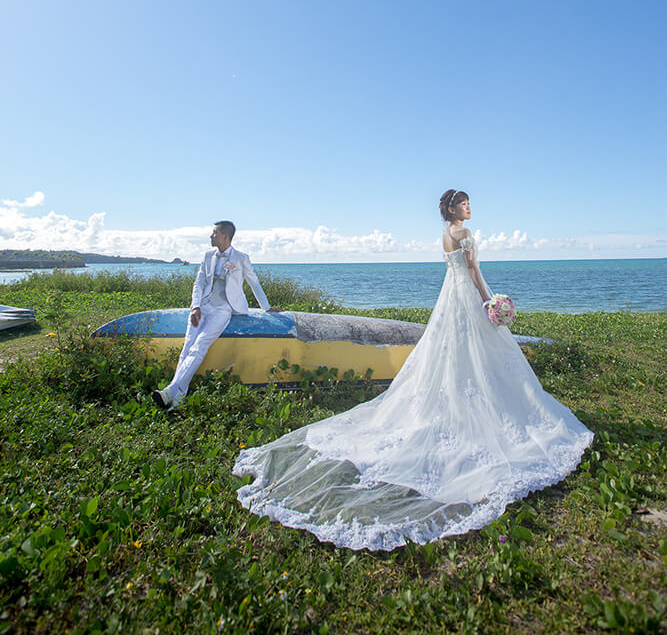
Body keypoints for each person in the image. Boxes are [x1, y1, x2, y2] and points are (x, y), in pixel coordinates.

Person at [233, 191, 593, 550]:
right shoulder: (464, 234)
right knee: (477, 352)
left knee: (451, 351)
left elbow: (454, 269)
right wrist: (491, 300)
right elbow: (473, 271)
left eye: (469, 203)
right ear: (452, 208)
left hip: (449, 296)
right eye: (464, 203)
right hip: (466, 294)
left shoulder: (444, 235)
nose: (469, 208)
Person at [153, 221, 280, 411]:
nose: (211, 236)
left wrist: (267, 307)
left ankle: (171, 390)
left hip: (223, 309)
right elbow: (199, 283)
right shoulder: (207, 256)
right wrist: (196, 306)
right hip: (202, 308)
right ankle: (177, 400)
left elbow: (254, 283)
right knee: (188, 346)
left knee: (200, 345)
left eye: (214, 233)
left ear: (225, 236)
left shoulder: (241, 258)